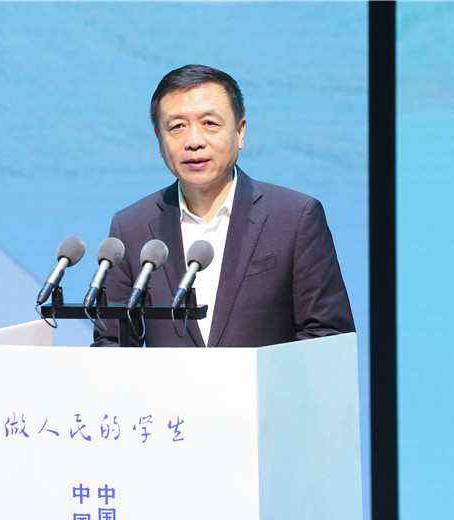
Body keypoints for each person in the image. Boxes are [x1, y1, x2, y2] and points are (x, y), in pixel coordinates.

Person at [92, 64, 354, 347]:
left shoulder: (295, 218)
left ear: (240, 132)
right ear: (159, 140)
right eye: (177, 127)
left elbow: (326, 336)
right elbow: (112, 343)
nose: (194, 141)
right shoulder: (131, 228)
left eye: (209, 123)